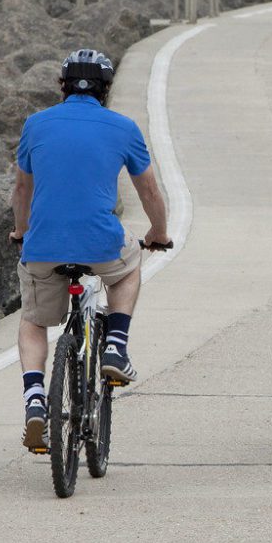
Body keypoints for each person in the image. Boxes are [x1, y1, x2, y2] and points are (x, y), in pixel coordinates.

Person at [11, 49, 171, 453]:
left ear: (62, 87)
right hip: (100, 242)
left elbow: (22, 189)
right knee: (128, 265)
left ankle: (34, 397)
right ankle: (116, 345)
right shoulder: (123, 127)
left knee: (33, 319)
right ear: (106, 89)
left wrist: (21, 231)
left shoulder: (36, 124)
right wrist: (159, 232)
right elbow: (148, 190)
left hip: (44, 243)